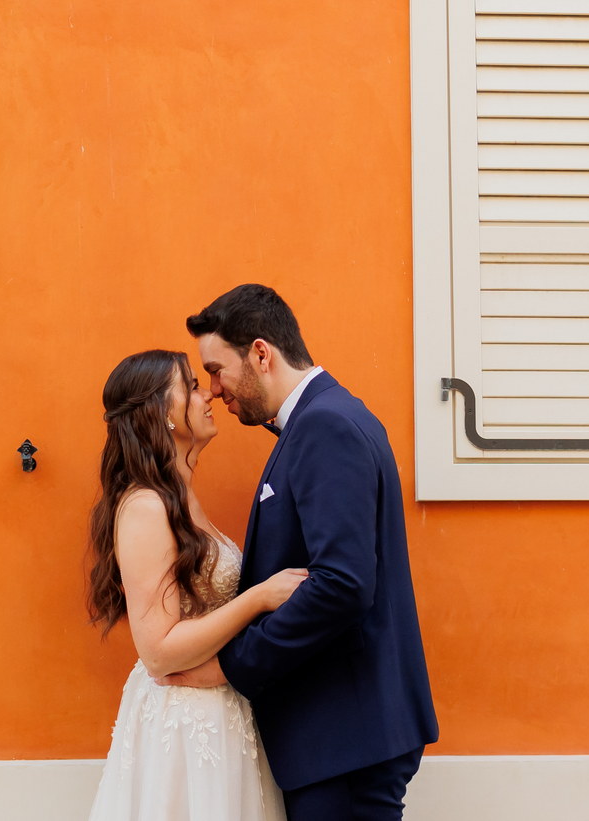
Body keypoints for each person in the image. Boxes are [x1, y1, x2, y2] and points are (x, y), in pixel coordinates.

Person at [165, 285, 438, 821]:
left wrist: (234, 666)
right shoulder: (322, 417)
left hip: (344, 736)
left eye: (217, 370)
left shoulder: (324, 426)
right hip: (341, 734)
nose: (215, 390)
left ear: (261, 354)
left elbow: (342, 585)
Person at [86, 348, 307, 821]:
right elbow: (159, 651)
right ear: (159, 413)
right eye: (189, 386)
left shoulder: (182, 497)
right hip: (185, 726)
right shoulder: (146, 508)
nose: (207, 393)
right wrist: (259, 598)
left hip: (226, 713)